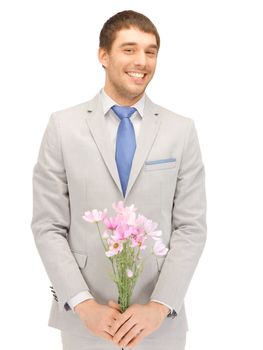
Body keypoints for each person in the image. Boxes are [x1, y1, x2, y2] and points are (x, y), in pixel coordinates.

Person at [31, 9, 207, 350]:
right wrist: (83, 304)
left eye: (150, 51)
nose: (141, 61)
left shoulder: (180, 130)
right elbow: (47, 225)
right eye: (129, 49)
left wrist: (159, 306)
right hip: (87, 322)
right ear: (103, 55)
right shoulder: (63, 126)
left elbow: (191, 226)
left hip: (158, 324)